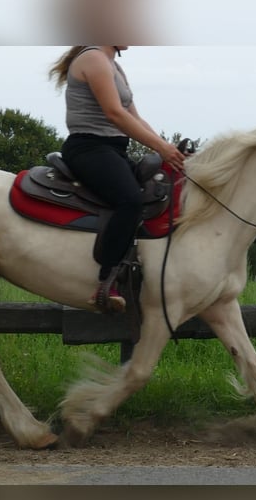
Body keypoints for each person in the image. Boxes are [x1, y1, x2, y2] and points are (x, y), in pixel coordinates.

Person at [49, 45, 186, 313]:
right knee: (129, 200)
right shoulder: (93, 59)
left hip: (113, 149)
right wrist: (160, 148)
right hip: (89, 148)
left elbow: (135, 117)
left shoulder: (115, 66)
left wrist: (168, 149)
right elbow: (115, 114)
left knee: (156, 190)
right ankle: (105, 281)